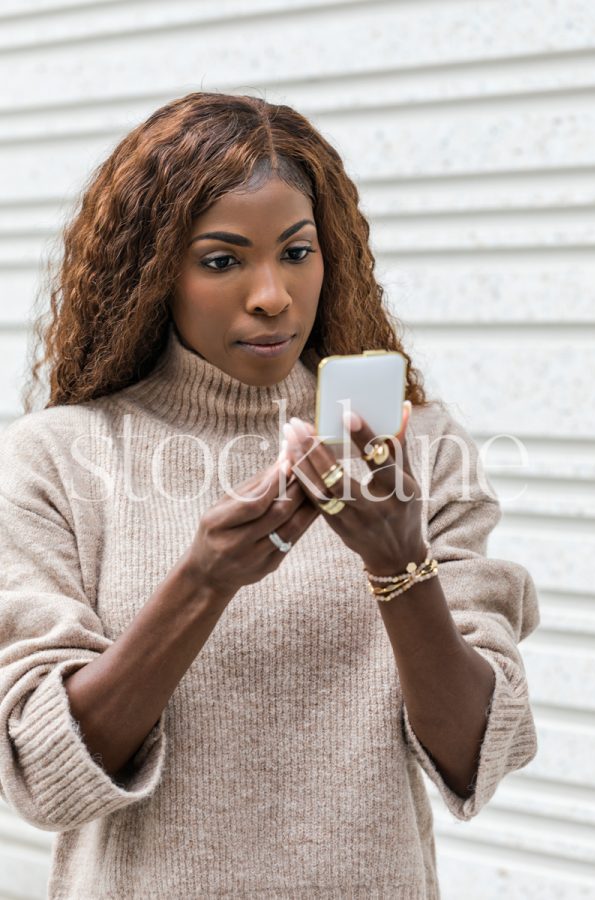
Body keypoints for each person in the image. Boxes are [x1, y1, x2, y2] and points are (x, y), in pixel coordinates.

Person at [0, 91, 539, 899]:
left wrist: (401, 565)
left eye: (296, 252)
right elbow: (45, 776)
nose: (272, 295)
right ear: (154, 276)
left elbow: (475, 755)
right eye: (222, 260)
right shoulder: (58, 459)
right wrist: (203, 580)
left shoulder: (414, 450)